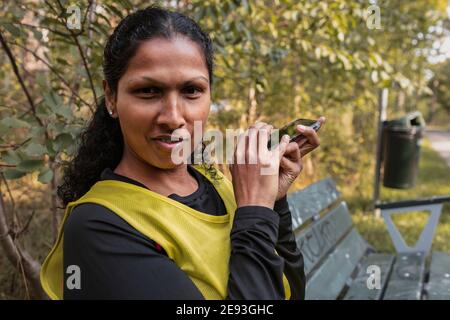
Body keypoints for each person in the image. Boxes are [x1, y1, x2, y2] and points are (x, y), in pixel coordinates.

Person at [40, 5, 324, 300]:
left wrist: (273, 203)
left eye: (191, 90)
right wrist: (254, 213)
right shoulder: (97, 227)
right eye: (148, 91)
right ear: (111, 97)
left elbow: (290, 290)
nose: (173, 117)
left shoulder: (212, 180)